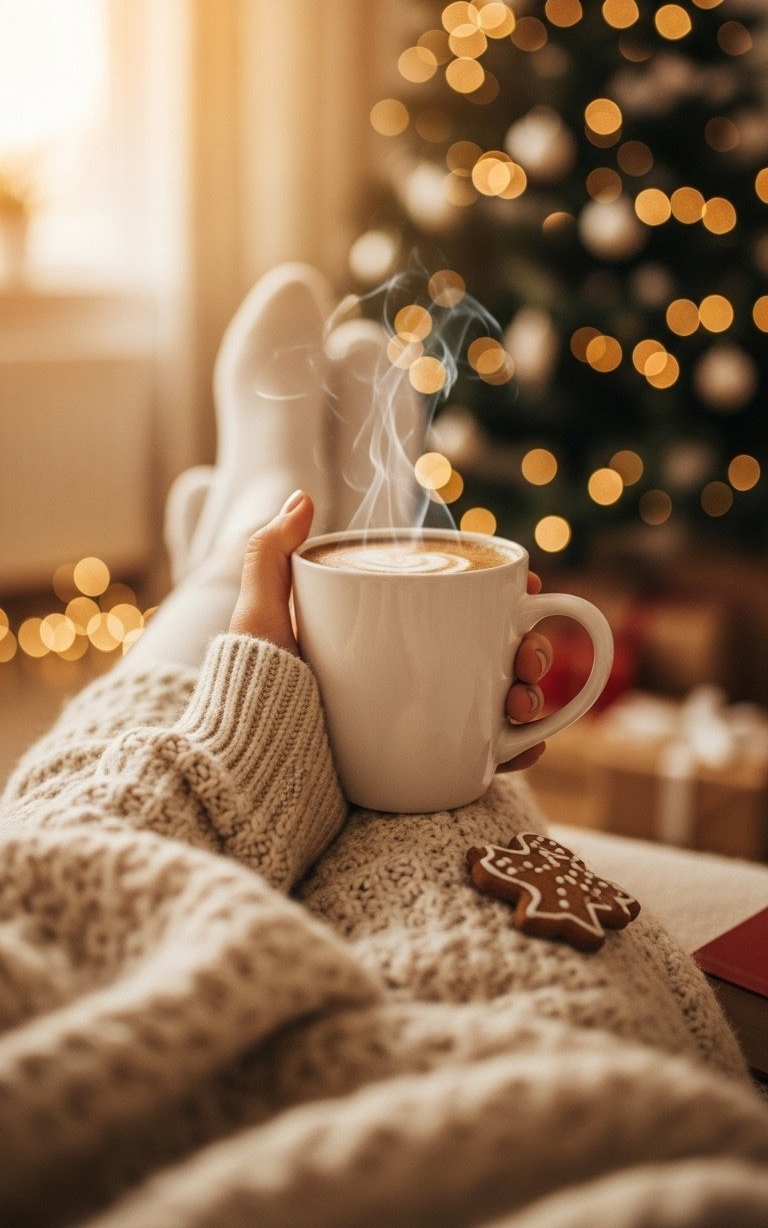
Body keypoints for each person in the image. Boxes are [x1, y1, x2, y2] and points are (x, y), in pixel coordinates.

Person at [0, 266, 766, 1228]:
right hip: (615, 1097)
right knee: (449, 821)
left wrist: (256, 733)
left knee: (68, 843)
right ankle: (324, 539)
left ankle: (239, 552)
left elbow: (69, 892)